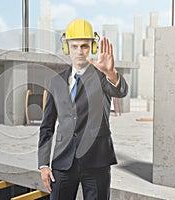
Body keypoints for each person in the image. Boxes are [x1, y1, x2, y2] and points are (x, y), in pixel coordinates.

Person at [38, 19, 128, 200]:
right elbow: (47, 126)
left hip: (96, 161)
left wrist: (111, 73)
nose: (80, 51)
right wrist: (43, 164)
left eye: (85, 46)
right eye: (75, 46)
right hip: (62, 163)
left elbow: (121, 91)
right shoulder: (56, 82)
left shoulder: (102, 77)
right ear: (67, 48)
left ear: (93, 47)